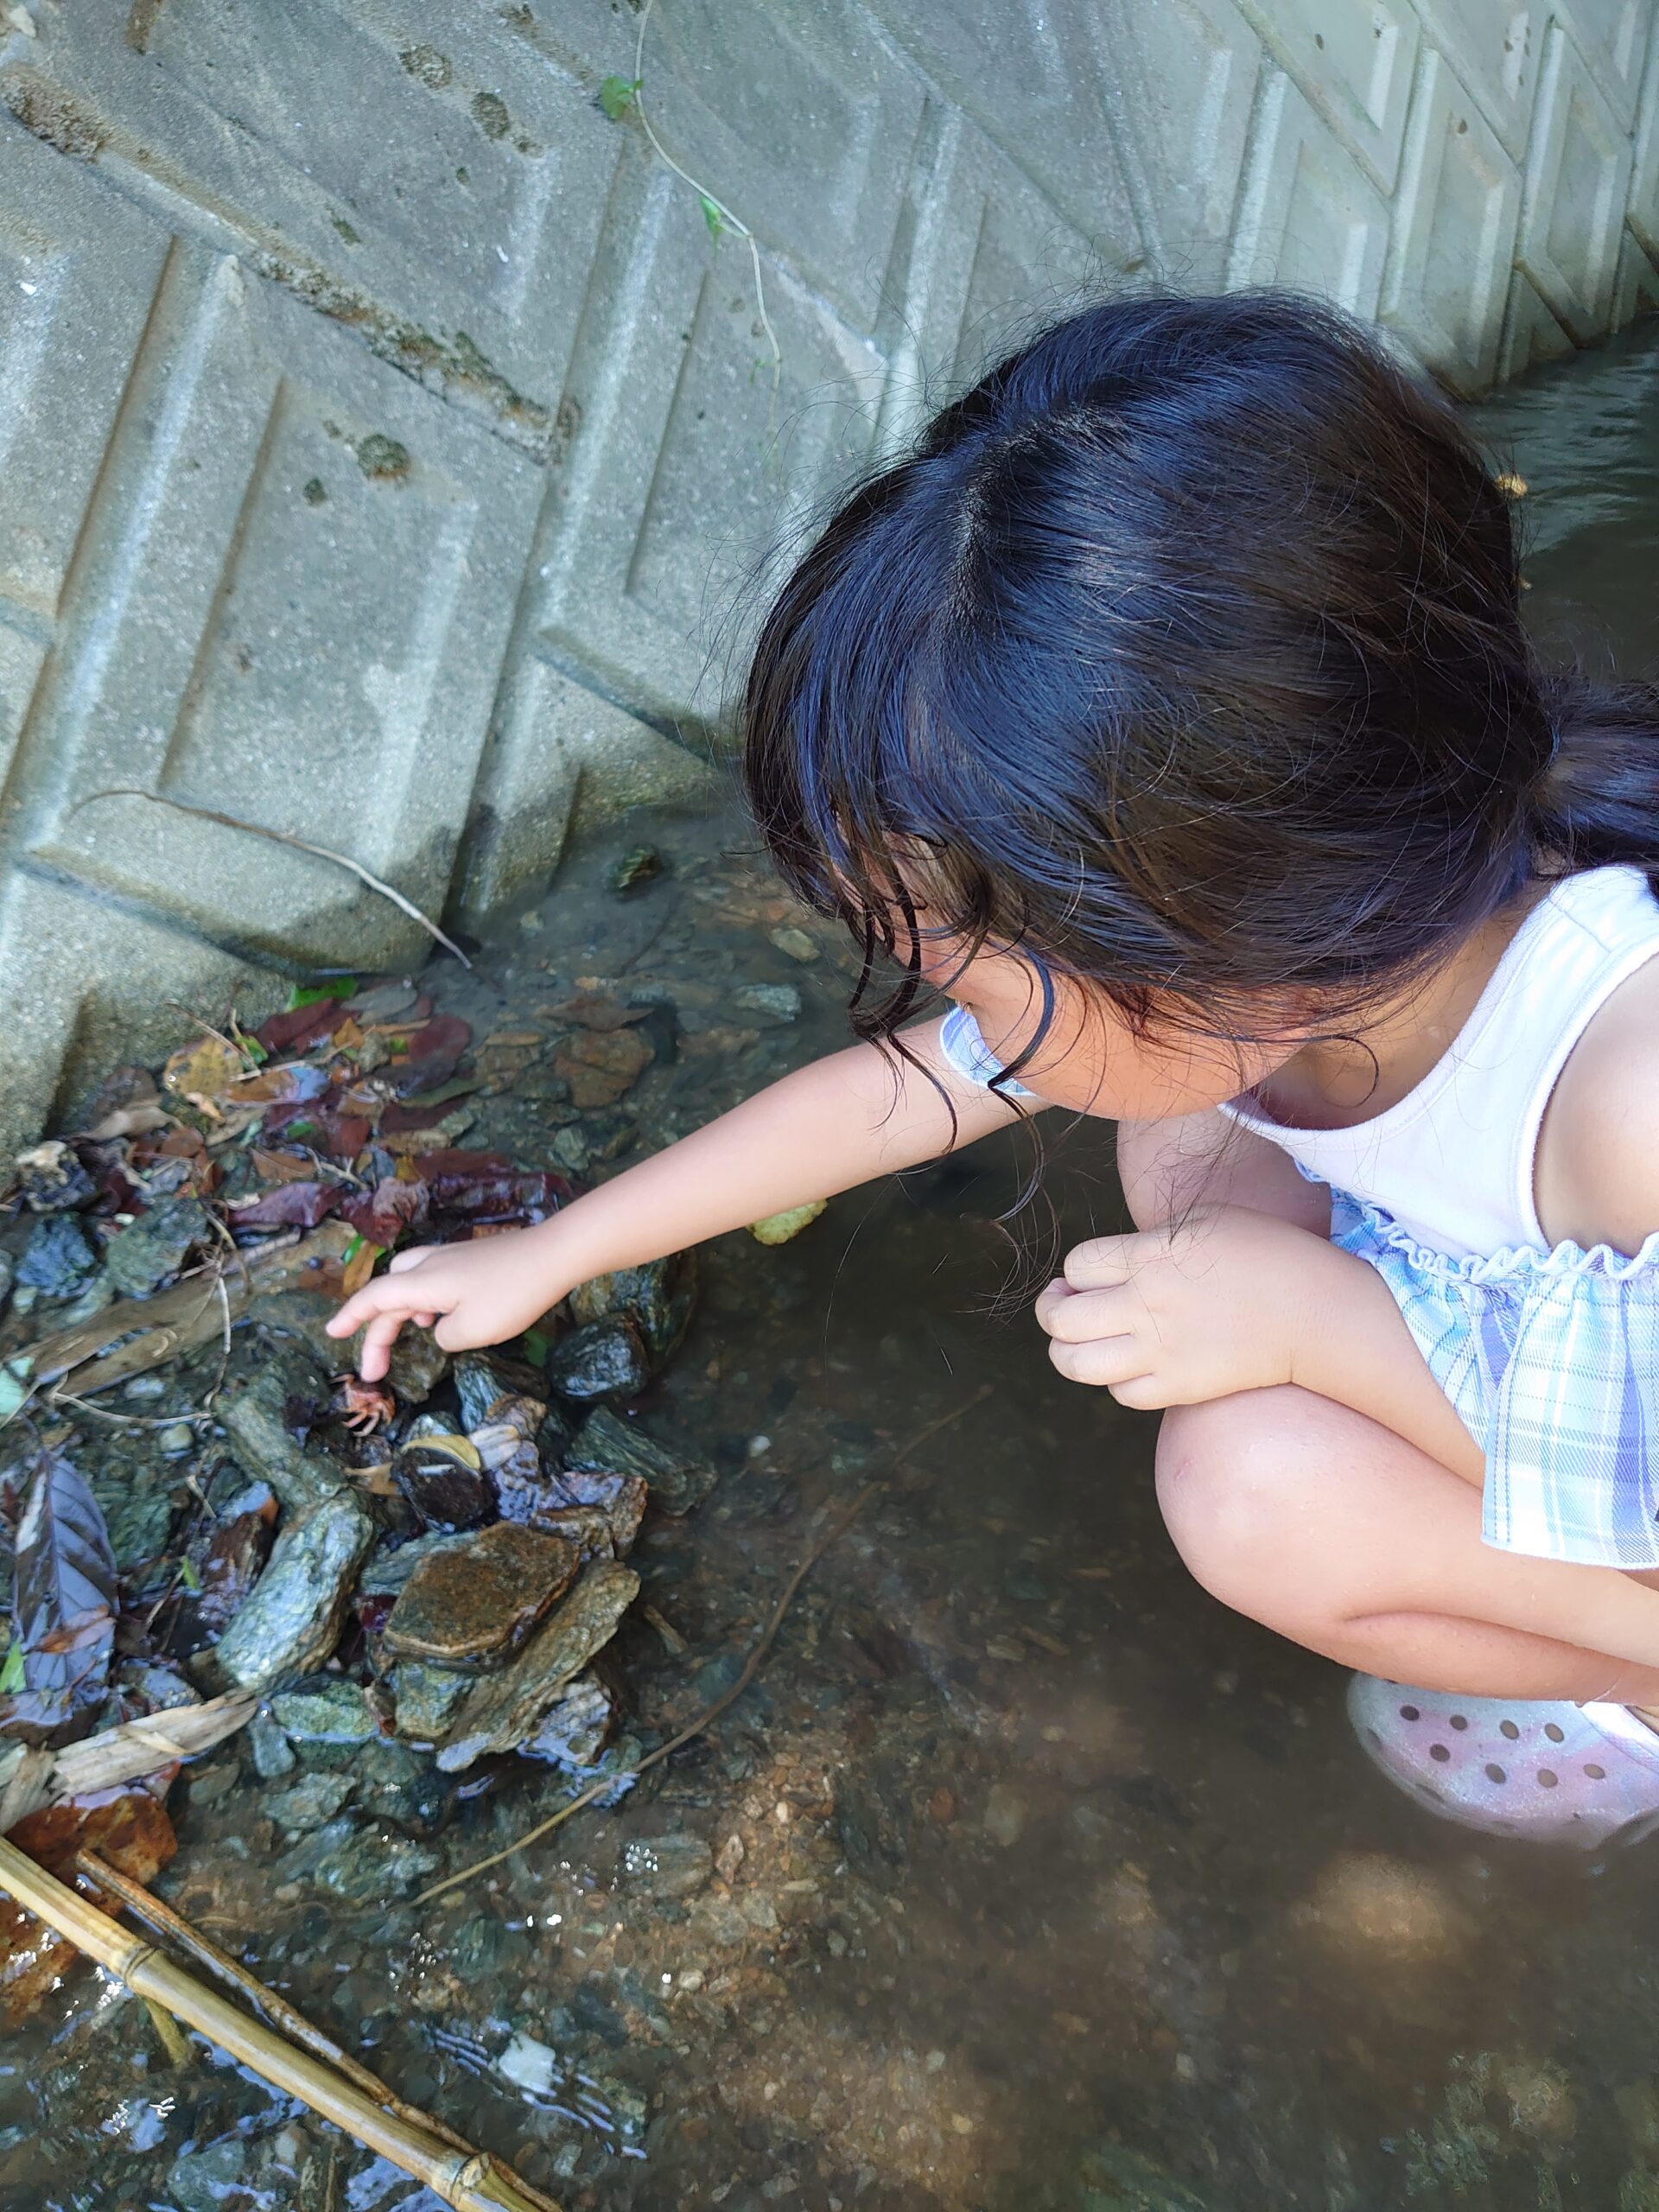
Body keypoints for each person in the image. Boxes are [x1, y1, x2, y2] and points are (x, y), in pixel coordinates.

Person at [331, 290, 1659, 1847]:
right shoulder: (1278, 934)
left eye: (964, 957)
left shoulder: (1620, 1103)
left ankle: (1625, 1693)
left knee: (1254, 1497)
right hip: (1502, 1336)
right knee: (1183, 1149)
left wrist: (1317, 1328)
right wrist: (560, 1250)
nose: (942, 1004)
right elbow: (900, 1095)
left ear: (1242, 919)